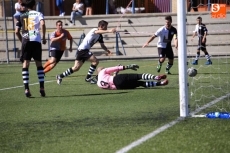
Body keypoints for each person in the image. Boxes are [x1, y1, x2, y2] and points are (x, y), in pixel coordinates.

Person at [56, 20, 116, 85]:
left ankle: (60, 76)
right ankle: (88, 78)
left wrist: (107, 50)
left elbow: (102, 45)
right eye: (106, 27)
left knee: (76, 68)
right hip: (83, 50)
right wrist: (109, 31)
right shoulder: (94, 30)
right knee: (95, 61)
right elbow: (97, 31)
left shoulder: (100, 36)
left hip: (82, 50)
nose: (106, 28)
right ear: (101, 26)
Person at [15, 0, 47, 97]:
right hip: (36, 40)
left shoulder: (21, 15)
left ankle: (26, 89)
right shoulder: (38, 13)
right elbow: (42, 24)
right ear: (34, 5)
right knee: (39, 64)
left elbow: (16, 31)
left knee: (26, 63)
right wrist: (44, 37)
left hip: (26, 40)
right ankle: (41, 87)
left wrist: (22, 41)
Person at [96, 64, 168, 90]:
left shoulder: (99, 84)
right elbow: (115, 68)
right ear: (101, 70)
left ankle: (160, 83)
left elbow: (111, 85)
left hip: (119, 87)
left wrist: (115, 74)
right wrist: (128, 67)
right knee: (138, 76)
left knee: (140, 84)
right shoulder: (103, 71)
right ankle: (156, 78)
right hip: (117, 79)